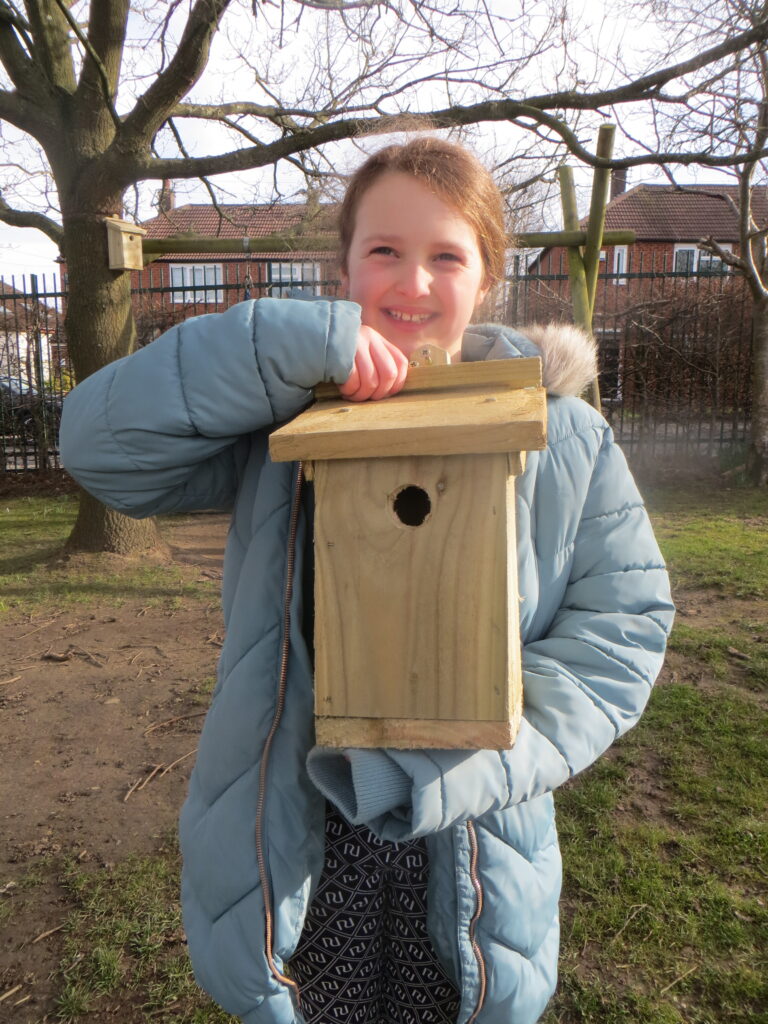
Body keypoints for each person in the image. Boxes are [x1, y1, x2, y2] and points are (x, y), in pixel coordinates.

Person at [60, 137, 674, 1024]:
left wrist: (449, 759)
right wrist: (279, 346)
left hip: (470, 835)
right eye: (383, 250)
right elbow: (98, 447)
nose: (413, 282)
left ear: (487, 276)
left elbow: (622, 631)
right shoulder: (280, 421)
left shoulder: (565, 438)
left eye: (446, 256)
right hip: (303, 837)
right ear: (343, 268)